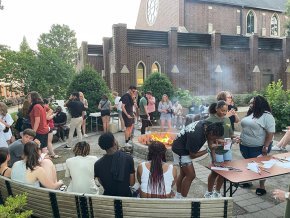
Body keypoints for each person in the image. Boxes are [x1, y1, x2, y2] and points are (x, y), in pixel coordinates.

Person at [172, 120, 224, 198]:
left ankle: (178, 196)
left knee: (183, 173)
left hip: (183, 145)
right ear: (211, 133)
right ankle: (182, 199)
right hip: (180, 150)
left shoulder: (208, 125)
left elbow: (211, 142)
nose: (216, 140)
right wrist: (208, 150)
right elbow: (192, 155)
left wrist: (214, 161)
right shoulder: (196, 135)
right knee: (191, 175)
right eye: (215, 138)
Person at [239, 95, 275, 196]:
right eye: (249, 103)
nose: (250, 105)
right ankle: (249, 181)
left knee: (260, 166)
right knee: (249, 164)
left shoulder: (267, 116)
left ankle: (261, 186)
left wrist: (266, 146)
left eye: (252, 103)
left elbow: (270, 133)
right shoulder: (252, 113)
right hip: (245, 145)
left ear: (259, 104)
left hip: (258, 147)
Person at [205, 101, 235, 198]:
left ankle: (217, 191)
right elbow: (208, 137)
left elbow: (231, 133)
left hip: (227, 149)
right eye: (222, 110)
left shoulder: (227, 119)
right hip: (216, 150)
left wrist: (235, 138)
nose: (224, 113)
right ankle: (209, 192)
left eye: (226, 111)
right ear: (216, 109)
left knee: (224, 171)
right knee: (215, 171)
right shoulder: (209, 120)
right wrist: (219, 141)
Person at [94, 132, 135, 197]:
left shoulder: (97, 164)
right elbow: (132, 183)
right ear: (114, 143)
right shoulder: (128, 158)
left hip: (108, 198)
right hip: (126, 198)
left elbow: (102, 183)